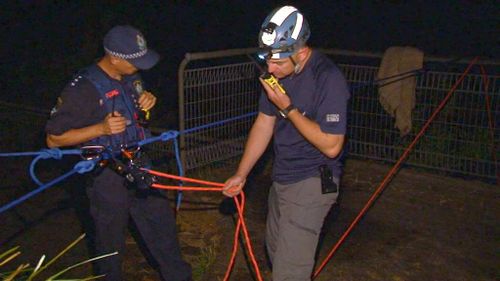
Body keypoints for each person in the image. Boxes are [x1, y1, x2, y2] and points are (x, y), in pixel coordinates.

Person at [45, 25, 192, 281]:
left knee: (162, 228)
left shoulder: (131, 78)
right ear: (114, 58)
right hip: (106, 176)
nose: (141, 67)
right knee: (109, 246)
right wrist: (99, 128)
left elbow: (138, 120)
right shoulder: (82, 88)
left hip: (139, 163)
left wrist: (147, 106)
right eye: (135, 61)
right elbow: (53, 139)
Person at [222, 6, 350, 281]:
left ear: (301, 53)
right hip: (282, 178)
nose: (270, 69)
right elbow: (264, 123)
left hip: (314, 181)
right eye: (266, 60)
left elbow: (331, 146)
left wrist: (288, 108)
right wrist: (241, 173)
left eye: (278, 63)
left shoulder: (328, 79)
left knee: (289, 273)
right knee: (276, 251)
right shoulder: (275, 75)